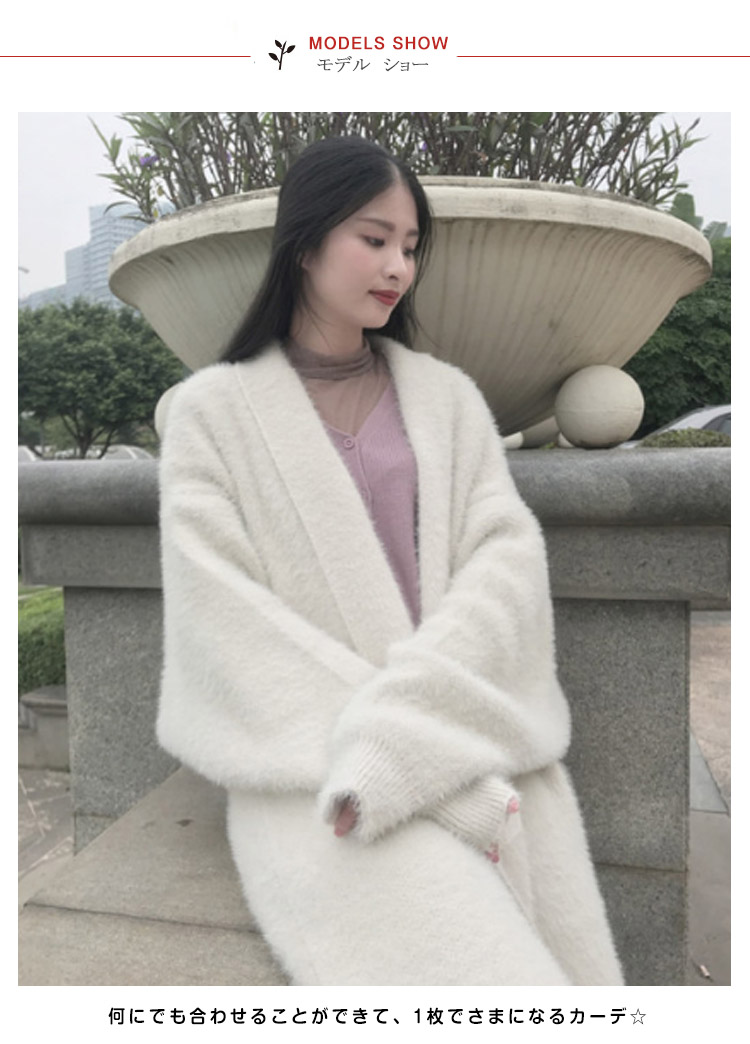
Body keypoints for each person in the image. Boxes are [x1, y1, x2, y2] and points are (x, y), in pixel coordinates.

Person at [156, 135, 624, 986]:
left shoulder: (448, 399)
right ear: (305, 243)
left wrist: (414, 731)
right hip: (312, 762)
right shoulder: (209, 414)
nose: (398, 267)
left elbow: (505, 558)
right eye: (374, 239)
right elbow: (219, 613)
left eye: (410, 246)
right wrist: (377, 751)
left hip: (457, 732)